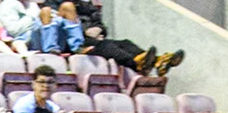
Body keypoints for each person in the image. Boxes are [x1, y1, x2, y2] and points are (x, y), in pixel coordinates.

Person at [27, 2, 180, 75]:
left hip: (90, 37)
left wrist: (99, 29)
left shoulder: (86, 7)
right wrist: (85, 31)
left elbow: (101, 24)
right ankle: (137, 63)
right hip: (68, 42)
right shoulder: (55, 4)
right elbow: (51, 22)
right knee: (106, 46)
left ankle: (156, 60)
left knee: (124, 43)